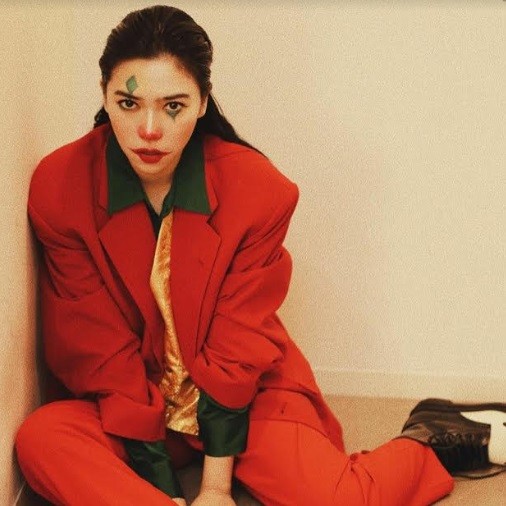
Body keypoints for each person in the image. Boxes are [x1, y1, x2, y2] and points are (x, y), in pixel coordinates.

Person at [15, 5, 505, 506]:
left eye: (173, 106)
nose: (149, 129)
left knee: (341, 499)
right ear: (104, 96)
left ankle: (430, 439)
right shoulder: (60, 186)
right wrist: (162, 490)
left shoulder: (257, 189)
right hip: (128, 403)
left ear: (203, 103)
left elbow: (236, 349)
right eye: (128, 103)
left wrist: (215, 489)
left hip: (242, 396)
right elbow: (97, 351)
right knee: (42, 439)